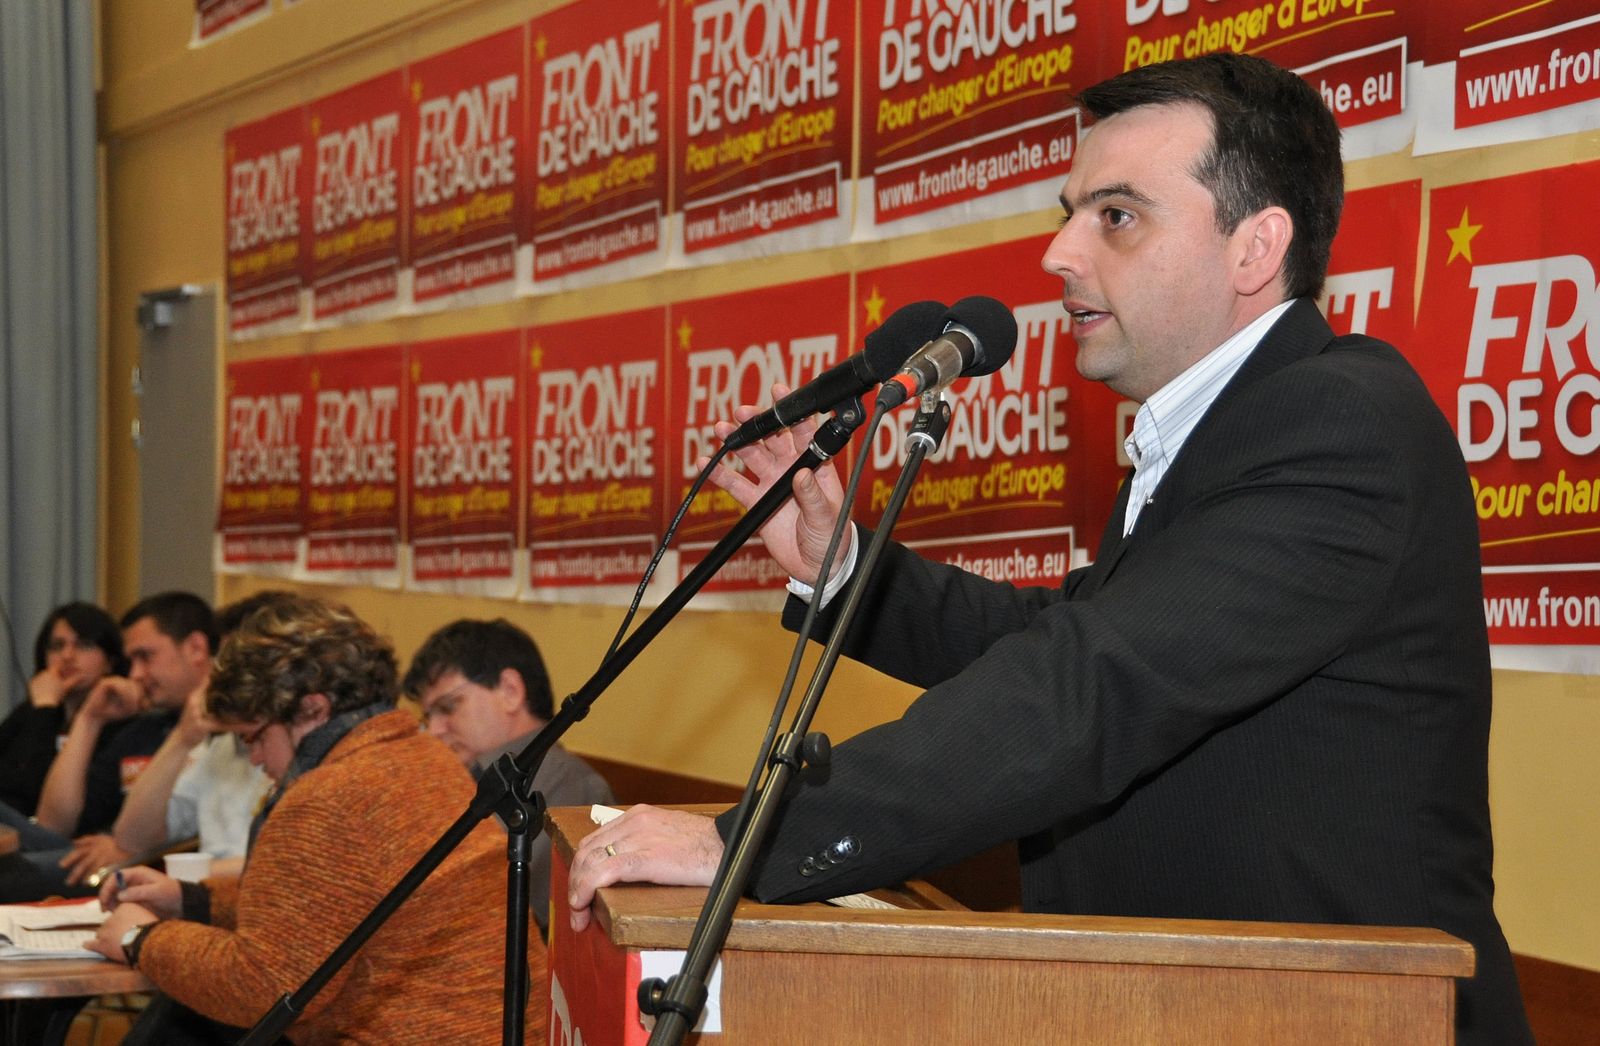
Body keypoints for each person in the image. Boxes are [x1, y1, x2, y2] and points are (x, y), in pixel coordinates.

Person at [565, 53, 1532, 1046]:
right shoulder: (1224, 427)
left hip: (1350, 1020)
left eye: (1116, 216)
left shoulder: (1340, 422)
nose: (1059, 252)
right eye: (1070, 213)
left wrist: (750, 841)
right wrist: (843, 565)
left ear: (1254, 248)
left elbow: (1091, 680)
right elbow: (1071, 632)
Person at [90, 594, 545, 1044]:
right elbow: (323, 910)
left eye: (254, 736)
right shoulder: (423, 756)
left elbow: (263, 987)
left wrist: (140, 938)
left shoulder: (327, 795)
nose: (255, 758)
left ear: (312, 709)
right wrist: (193, 900)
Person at [403, 617, 614, 934]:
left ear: (510, 691)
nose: (433, 730)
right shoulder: (455, 772)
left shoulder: (574, 789)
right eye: (427, 716)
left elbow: (486, 911)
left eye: (447, 707)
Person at [0, 591, 213, 899]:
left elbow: (204, 833)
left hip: (145, 864)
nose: (136, 674)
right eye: (132, 660)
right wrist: (89, 719)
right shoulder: (145, 728)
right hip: (90, 853)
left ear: (196, 648)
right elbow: (54, 823)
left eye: (145, 656)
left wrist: (126, 845)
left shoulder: (228, 731)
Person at [107, 592, 281, 878]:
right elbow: (132, 838)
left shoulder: (302, 748)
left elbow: (280, 867)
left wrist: (188, 876)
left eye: (238, 668)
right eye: (222, 664)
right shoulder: (222, 745)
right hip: (205, 892)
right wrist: (182, 739)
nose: (223, 677)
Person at [0, 602, 127, 817]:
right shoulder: (31, 711)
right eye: (57, 646)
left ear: (110, 662)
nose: (67, 656)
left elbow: (38, 793)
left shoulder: (118, 720)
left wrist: (45, 709)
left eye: (84, 645)